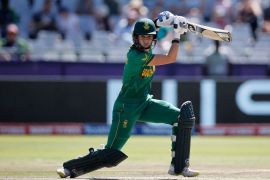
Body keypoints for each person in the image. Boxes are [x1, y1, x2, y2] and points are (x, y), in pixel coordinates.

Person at [56, 11, 199, 178]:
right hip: (126, 108)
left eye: (149, 37)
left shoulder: (145, 47)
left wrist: (163, 21)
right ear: (135, 39)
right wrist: (176, 34)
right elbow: (171, 58)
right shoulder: (135, 56)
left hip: (145, 103)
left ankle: (179, 167)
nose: (146, 40)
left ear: (153, 38)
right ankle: (68, 168)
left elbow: (148, 28)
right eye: (142, 37)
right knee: (111, 155)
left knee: (182, 118)